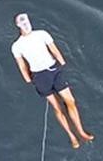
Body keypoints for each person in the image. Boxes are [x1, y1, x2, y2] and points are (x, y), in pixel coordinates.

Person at [11, 13, 94, 149]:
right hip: (39, 76)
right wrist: (26, 78)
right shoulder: (16, 46)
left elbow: (54, 49)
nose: (26, 25)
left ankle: (81, 132)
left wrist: (61, 61)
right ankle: (71, 136)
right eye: (23, 23)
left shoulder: (42, 34)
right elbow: (21, 64)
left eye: (27, 22)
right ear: (18, 26)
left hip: (54, 70)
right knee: (57, 107)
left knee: (70, 101)